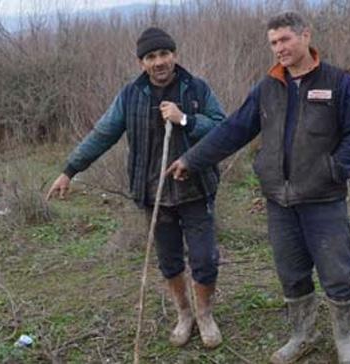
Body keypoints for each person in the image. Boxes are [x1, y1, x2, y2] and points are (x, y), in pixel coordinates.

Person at [166, 11, 350, 364]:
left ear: (306, 36)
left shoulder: (338, 83)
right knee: (291, 273)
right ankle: (303, 334)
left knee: (337, 271)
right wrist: (191, 159)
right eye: (273, 43)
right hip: (279, 202)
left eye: (285, 39)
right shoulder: (267, 88)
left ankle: (344, 338)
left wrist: (333, 170)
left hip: (323, 198)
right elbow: (233, 130)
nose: (279, 48)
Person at [46, 27, 227, 348]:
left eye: (164, 54)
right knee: (169, 260)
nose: (159, 62)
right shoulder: (131, 96)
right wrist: (69, 170)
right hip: (153, 193)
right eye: (150, 57)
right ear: (142, 62)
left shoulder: (196, 88)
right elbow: (103, 134)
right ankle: (184, 314)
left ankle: (205, 315)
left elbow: (223, 128)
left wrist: (185, 119)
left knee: (204, 259)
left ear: (174, 55)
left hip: (196, 190)